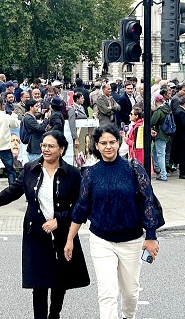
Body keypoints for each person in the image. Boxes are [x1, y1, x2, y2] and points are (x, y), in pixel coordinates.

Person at [0, 130, 89, 319]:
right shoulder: (31, 168)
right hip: (35, 233)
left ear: (61, 149)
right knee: (39, 283)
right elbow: (13, 191)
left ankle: (54, 315)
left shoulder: (72, 173)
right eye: (44, 146)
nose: (46, 150)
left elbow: (81, 206)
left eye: (51, 146)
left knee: (59, 281)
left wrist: (59, 220)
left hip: (62, 233)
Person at [64, 125, 160, 319]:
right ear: (97, 146)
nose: (108, 147)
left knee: (131, 293)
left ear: (118, 143)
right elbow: (81, 207)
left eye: (112, 142)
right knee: (107, 293)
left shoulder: (133, 168)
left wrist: (151, 236)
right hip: (101, 240)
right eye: (103, 143)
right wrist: (70, 239)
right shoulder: (90, 173)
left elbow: (147, 201)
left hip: (131, 240)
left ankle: (127, 316)